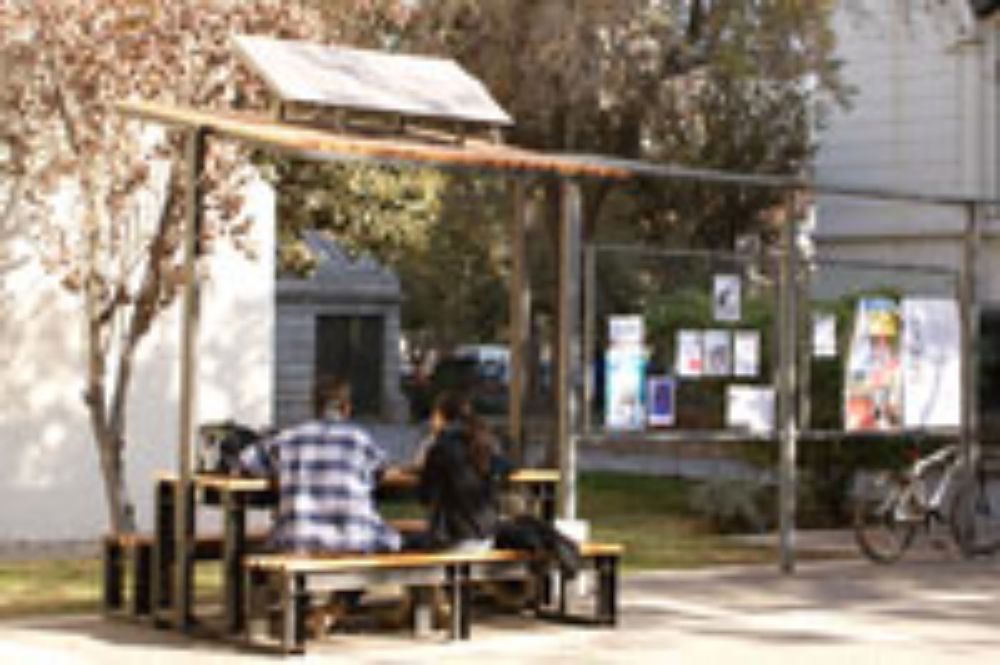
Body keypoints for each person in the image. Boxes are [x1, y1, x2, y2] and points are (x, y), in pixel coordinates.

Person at [239, 377, 401, 554]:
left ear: (314, 407)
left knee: (270, 542)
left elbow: (246, 460)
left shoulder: (289, 437)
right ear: (346, 408)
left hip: (298, 541)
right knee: (393, 538)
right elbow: (381, 470)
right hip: (354, 541)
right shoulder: (358, 439)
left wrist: (280, 475)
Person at [415, 392, 510, 552]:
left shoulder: (441, 448)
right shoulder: (483, 442)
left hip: (453, 538)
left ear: (440, 416)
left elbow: (424, 497)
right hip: (488, 535)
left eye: (433, 414)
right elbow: (506, 466)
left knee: (409, 542)